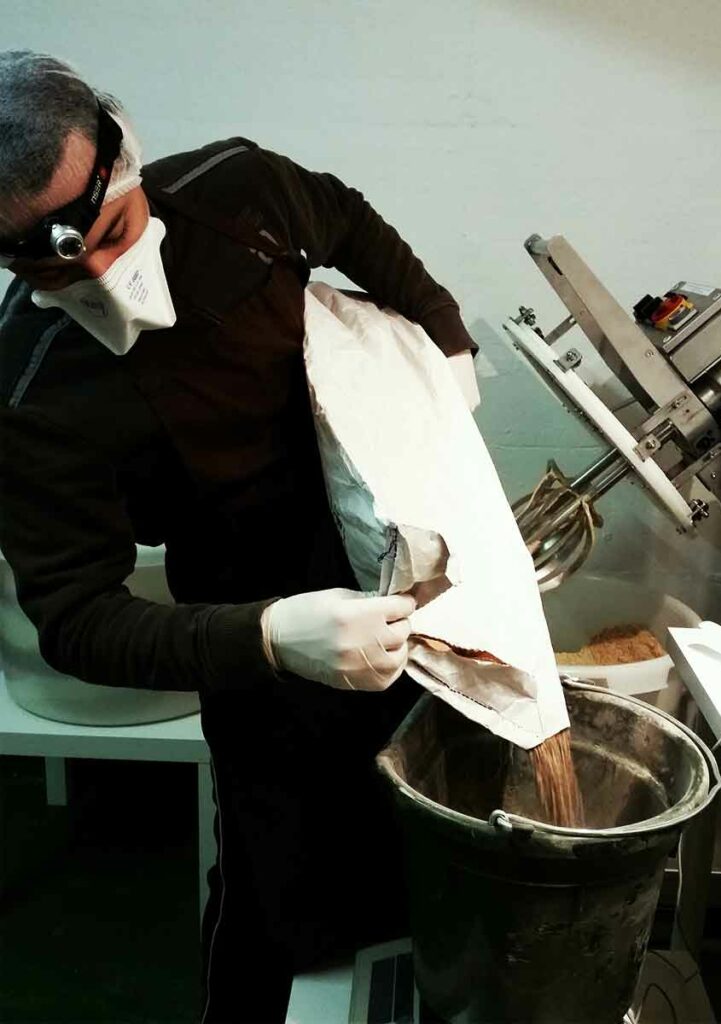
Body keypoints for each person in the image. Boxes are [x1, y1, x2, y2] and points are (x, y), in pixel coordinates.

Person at [0, 51, 479, 1023]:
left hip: (381, 532)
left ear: (126, 156)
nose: (105, 280)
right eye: (57, 269)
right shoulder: (31, 390)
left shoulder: (241, 194)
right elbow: (76, 617)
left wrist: (447, 341)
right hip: (246, 615)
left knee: (433, 840)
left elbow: (347, 219)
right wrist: (266, 637)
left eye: (113, 234)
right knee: (280, 888)